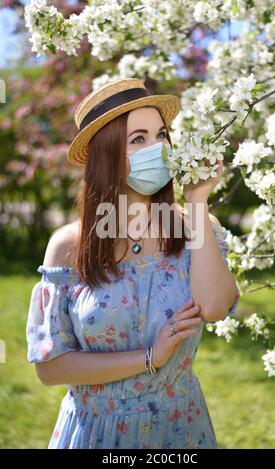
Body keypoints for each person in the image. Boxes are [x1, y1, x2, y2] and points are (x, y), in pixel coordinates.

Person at [26, 77, 240, 449]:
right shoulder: (67, 247)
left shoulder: (195, 225)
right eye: (138, 139)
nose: (157, 149)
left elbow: (215, 308)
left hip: (180, 429)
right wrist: (149, 357)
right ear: (106, 156)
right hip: (95, 432)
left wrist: (197, 202)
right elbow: (50, 367)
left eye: (161, 135)